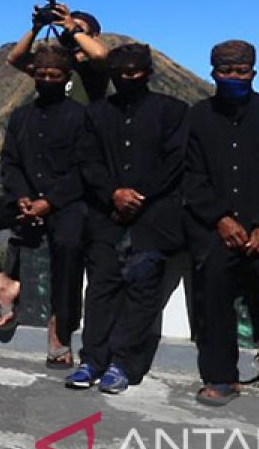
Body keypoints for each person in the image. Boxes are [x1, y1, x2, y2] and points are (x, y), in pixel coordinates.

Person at [185, 40, 259, 417]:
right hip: (219, 229)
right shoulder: (196, 118)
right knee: (215, 298)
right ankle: (223, 377)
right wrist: (220, 218)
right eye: (226, 71)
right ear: (213, 72)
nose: (233, 77)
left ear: (253, 71)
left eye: (241, 71)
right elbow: (190, 175)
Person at [66, 43, 188, 394]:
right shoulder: (97, 113)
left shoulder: (173, 112)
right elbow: (87, 161)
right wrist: (113, 194)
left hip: (154, 219)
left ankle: (123, 363)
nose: (127, 79)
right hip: (106, 218)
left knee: (143, 292)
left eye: (134, 72)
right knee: (101, 288)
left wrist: (138, 195)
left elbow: (175, 160)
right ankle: (91, 359)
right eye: (120, 74)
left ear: (149, 72)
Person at [0, 44, 86, 366]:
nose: (47, 80)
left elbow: (84, 168)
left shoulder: (81, 116)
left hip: (65, 204)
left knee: (68, 243)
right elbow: (10, 163)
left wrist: (49, 202)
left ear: (66, 78)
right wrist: (22, 197)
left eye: (54, 76)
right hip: (24, 200)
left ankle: (59, 326)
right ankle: (3, 285)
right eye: (41, 75)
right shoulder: (21, 116)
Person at [7, 2, 109, 105]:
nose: (69, 32)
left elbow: (99, 55)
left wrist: (74, 29)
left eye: (79, 28)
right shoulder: (58, 63)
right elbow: (15, 59)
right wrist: (36, 28)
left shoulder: (94, 67)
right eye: (66, 29)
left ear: (94, 35)